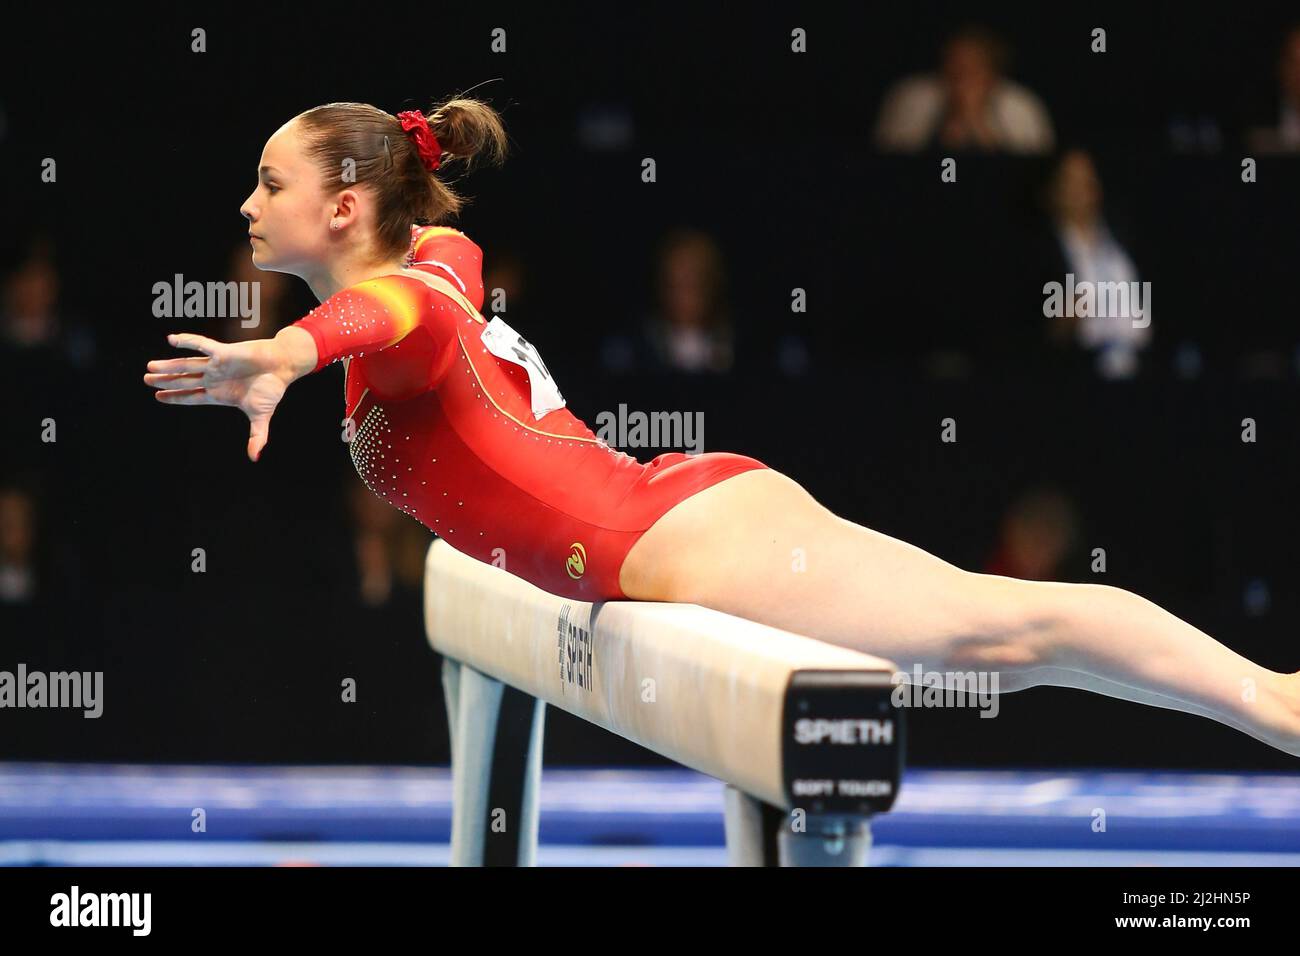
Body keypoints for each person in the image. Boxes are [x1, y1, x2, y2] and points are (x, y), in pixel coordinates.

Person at [144, 97, 1300, 758]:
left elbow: (387, 311)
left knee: (1001, 632)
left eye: (265, 180)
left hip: (690, 542)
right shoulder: (444, 255)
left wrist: (289, 353)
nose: (245, 203)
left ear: (343, 204)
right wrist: (299, 346)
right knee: (1011, 650)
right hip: (684, 516)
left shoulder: (409, 310)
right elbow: (413, 294)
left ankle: (1276, 697)